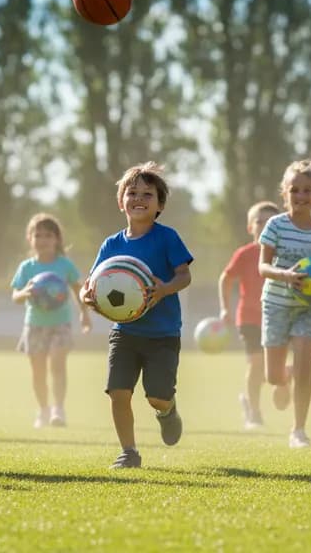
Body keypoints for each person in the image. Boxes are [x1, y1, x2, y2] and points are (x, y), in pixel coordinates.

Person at [80, 162, 193, 469]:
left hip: (163, 334)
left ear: (160, 205)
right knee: (118, 392)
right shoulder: (111, 244)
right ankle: (128, 452)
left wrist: (165, 289)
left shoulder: (167, 238)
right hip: (125, 332)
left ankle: (166, 411)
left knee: (156, 396)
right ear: (121, 202)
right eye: (132, 192)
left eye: (147, 193)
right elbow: (90, 283)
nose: (138, 197)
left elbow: (184, 276)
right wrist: (87, 297)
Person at [258, 159, 311, 449]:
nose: (301, 196)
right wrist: (285, 275)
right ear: (285, 193)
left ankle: (298, 430)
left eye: (307, 190)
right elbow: (263, 267)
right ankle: (283, 380)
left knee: (305, 366)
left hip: (308, 309)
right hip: (276, 304)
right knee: (272, 376)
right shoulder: (275, 225)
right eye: (294, 190)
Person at [11, 213, 91, 428]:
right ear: (30, 239)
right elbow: (15, 297)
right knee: (38, 372)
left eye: (48, 235)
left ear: (57, 239)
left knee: (57, 364)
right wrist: (26, 292)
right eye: (38, 235)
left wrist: (84, 313)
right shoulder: (27, 267)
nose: (43, 240)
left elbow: (78, 290)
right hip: (34, 324)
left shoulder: (65, 265)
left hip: (60, 324)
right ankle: (43, 410)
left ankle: (58, 409)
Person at [219, 201, 281, 430]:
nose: (264, 226)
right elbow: (225, 279)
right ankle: (254, 412)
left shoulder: (283, 254)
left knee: (273, 369)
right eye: (259, 221)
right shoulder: (244, 254)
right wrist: (225, 308)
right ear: (250, 227)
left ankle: (255, 398)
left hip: (278, 318)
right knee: (256, 364)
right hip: (249, 318)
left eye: (271, 222)